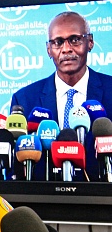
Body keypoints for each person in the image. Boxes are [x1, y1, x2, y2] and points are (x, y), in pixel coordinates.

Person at [11, 11, 112, 181]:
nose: (66, 49)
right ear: (49, 49)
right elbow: (16, 171)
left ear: (90, 42)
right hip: (44, 203)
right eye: (58, 42)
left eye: (74, 39)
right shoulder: (25, 99)